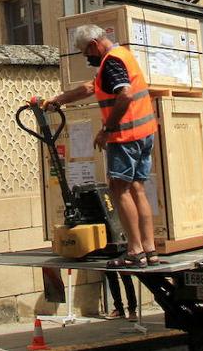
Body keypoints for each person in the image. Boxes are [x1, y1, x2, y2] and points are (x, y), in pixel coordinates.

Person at [46, 24, 160, 268]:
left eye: (86, 52)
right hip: (144, 133)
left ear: (94, 44)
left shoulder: (111, 62)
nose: (87, 57)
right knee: (137, 188)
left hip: (125, 136)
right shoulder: (122, 54)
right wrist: (59, 100)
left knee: (119, 189)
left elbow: (125, 94)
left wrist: (107, 130)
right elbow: (91, 87)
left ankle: (135, 250)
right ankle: (150, 249)